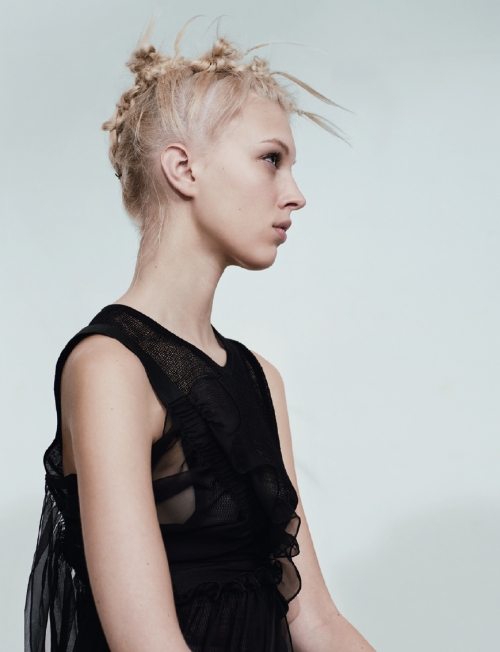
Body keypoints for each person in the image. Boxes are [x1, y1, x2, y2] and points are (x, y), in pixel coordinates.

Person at [25, 19, 376, 652]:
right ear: (184, 169)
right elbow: (147, 644)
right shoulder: (110, 369)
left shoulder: (260, 379)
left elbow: (315, 620)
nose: (296, 195)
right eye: (271, 159)